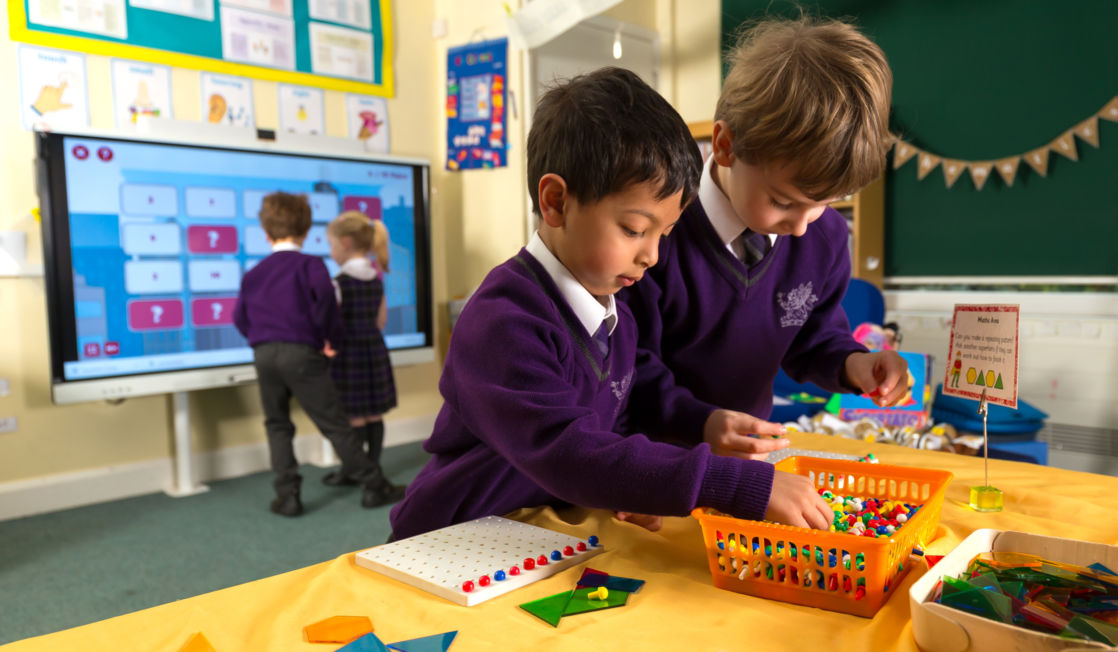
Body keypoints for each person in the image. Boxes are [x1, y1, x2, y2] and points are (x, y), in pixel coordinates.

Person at [388, 67, 833, 541]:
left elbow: (611, 433)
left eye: (664, 234)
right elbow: (568, 450)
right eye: (635, 230)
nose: (652, 255)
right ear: (556, 201)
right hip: (449, 542)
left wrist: (628, 489)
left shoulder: (614, 314)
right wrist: (736, 484)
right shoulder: (502, 322)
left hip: (532, 538)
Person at [620, 17, 909, 449]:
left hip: (742, 454)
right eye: (783, 201)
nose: (800, 226)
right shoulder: (655, 234)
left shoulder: (824, 236)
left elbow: (813, 337)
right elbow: (630, 366)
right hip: (649, 458)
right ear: (725, 146)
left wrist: (855, 364)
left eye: (824, 202)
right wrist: (702, 423)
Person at [233, 191, 386, 516]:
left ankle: (287, 495)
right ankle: (374, 483)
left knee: (277, 424)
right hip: (301, 354)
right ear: (305, 231)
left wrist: (261, 341)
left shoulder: (254, 273)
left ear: (265, 232)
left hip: (264, 354)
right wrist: (329, 340)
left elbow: (239, 318)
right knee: (334, 423)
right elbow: (326, 306)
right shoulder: (311, 265)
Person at [321, 211, 406, 506]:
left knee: (354, 416)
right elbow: (380, 320)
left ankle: (363, 476)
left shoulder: (338, 282)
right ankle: (371, 468)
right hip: (373, 348)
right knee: (373, 414)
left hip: (348, 353)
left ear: (344, 244)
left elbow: (331, 323)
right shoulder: (375, 278)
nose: (330, 251)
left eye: (330, 245)